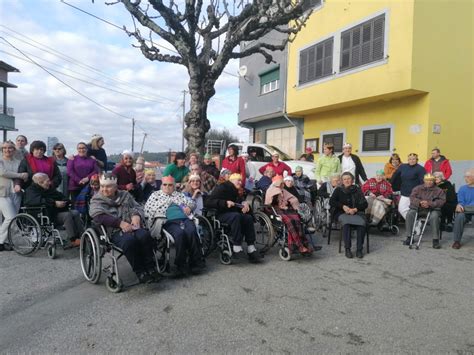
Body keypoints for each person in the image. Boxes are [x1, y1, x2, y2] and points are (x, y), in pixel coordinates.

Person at [90, 173, 159, 283]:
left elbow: (137, 206)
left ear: (115, 186)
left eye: (108, 186)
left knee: (145, 236)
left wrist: (136, 215)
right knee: (129, 242)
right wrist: (120, 223)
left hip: (132, 225)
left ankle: (150, 267)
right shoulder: (97, 199)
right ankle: (140, 271)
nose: (104, 189)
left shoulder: (125, 195)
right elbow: (98, 216)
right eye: (102, 186)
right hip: (114, 231)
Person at [144, 176, 205, 276]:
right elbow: (147, 210)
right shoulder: (155, 195)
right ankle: (180, 264)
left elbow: (192, 204)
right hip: (168, 221)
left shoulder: (179, 195)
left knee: (192, 232)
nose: (167, 187)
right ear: (161, 185)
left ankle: (195, 262)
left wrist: (188, 207)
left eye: (170, 185)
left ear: (174, 186)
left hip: (185, 219)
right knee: (179, 234)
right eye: (165, 185)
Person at [205, 173, 261, 262]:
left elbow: (239, 202)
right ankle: (237, 246)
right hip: (220, 214)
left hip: (233, 214)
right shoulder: (222, 187)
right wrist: (225, 202)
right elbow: (209, 202)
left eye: (240, 180)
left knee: (248, 218)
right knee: (236, 216)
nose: (240, 182)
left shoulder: (236, 190)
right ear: (231, 180)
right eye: (238, 180)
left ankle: (251, 247)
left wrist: (245, 203)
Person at [24, 173, 83, 247]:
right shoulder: (31, 191)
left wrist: (65, 202)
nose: (50, 182)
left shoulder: (49, 189)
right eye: (47, 181)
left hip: (55, 211)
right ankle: (73, 240)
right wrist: (54, 203)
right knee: (67, 215)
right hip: (45, 215)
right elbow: (36, 201)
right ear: (40, 182)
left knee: (75, 212)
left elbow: (61, 196)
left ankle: (82, 236)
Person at [265, 175, 312, 255]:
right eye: (280, 183)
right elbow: (269, 203)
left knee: (297, 218)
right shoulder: (271, 190)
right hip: (274, 210)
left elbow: (292, 198)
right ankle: (299, 245)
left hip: (284, 208)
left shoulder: (282, 190)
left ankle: (304, 243)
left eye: (282, 183)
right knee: (289, 221)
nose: (282, 185)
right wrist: (279, 198)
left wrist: (291, 203)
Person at [329, 172, 368, 259]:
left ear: (352, 180)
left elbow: (365, 204)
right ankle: (347, 249)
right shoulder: (338, 190)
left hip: (356, 212)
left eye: (349, 178)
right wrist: (343, 206)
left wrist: (355, 209)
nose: (347, 180)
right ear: (342, 181)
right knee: (346, 224)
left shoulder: (357, 189)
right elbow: (331, 202)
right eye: (345, 179)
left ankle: (359, 249)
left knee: (361, 224)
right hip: (342, 212)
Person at [403, 174, 446, 249]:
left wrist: (430, 204)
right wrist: (420, 202)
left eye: (431, 180)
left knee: (435, 216)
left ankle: (435, 240)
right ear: (424, 180)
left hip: (433, 209)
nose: (429, 182)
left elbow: (442, 201)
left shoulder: (439, 190)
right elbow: (412, 197)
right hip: (418, 208)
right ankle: (409, 237)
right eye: (427, 180)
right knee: (409, 214)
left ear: (434, 181)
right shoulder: (417, 188)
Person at [0, 141, 28, 251]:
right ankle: (1, 240)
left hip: (16, 192)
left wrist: (23, 176)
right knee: (10, 217)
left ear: (14, 150)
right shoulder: (1, 160)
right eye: (5, 148)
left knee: (13, 219)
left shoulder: (19, 161)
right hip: (2, 192)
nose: (7, 150)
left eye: (10, 148)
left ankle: (6, 241)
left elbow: (24, 173)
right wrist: (20, 175)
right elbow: (3, 173)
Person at [390, 153, 426, 219]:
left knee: (413, 211)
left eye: (413, 159)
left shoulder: (420, 169)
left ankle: (414, 225)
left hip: (415, 194)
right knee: (401, 209)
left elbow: (423, 182)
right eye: (410, 159)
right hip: (404, 193)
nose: (411, 160)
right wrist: (390, 184)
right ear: (408, 160)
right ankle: (414, 223)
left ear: (417, 160)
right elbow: (395, 175)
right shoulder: (403, 166)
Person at [451, 168, 474, 249]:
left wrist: (464, 207)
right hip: (465, 211)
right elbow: (461, 201)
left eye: (468, 177)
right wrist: (459, 205)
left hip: (468, 209)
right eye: (465, 177)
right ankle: (456, 241)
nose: (466, 179)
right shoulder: (462, 188)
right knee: (459, 217)